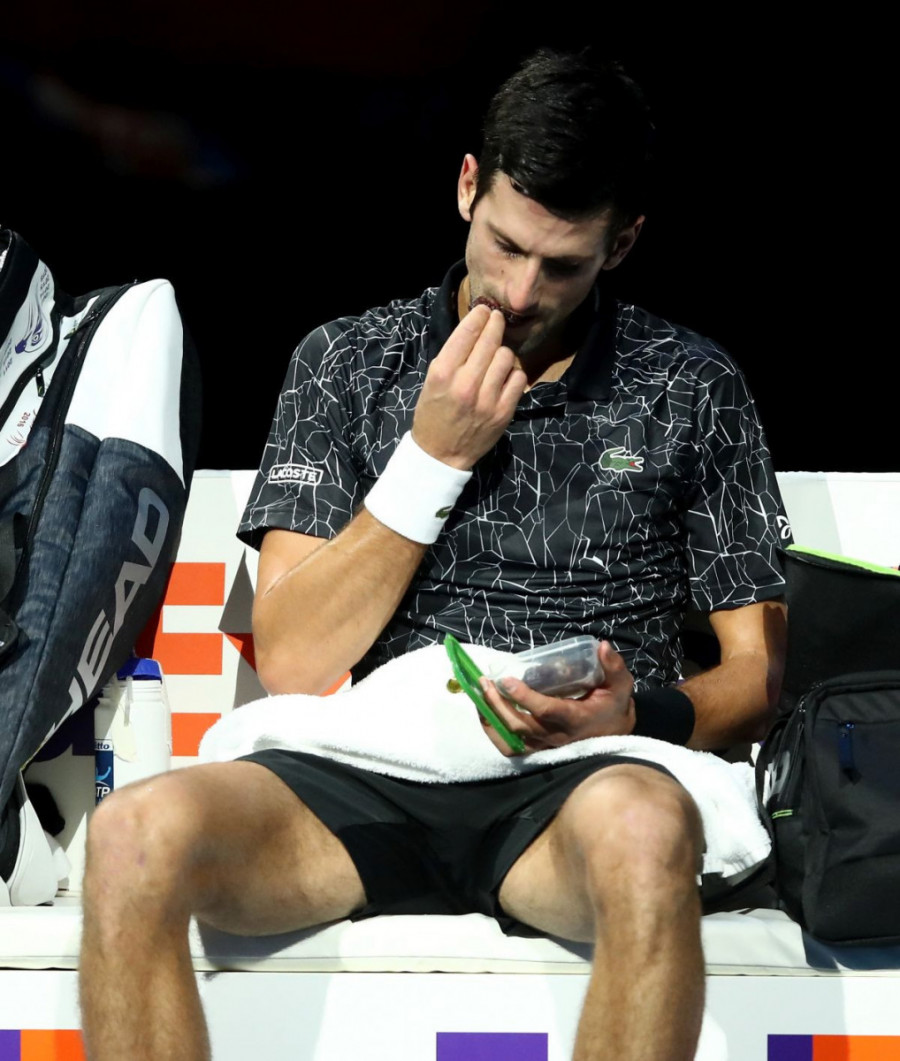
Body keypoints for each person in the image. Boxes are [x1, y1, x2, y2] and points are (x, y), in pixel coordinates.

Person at [79, 48, 789, 1060]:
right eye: (506, 245)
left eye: (563, 265)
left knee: (646, 832)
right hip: (367, 774)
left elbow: (759, 673)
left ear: (624, 242)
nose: (521, 290)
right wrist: (432, 457)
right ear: (466, 187)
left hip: (578, 783)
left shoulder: (693, 385)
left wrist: (642, 715)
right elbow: (294, 656)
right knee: (130, 836)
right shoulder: (345, 362)